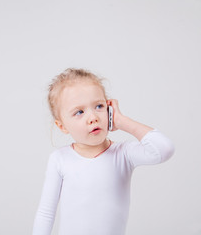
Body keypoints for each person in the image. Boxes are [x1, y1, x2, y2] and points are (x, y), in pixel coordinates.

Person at [32, 68, 175, 235]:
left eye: (99, 106)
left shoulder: (123, 154)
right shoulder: (60, 159)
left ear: (110, 109)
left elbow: (164, 149)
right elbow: (45, 214)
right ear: (62, 126)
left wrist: (121, 121)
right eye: (79, 112)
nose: (93, 117)